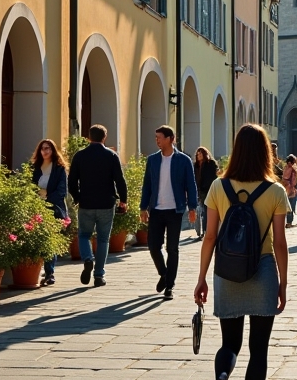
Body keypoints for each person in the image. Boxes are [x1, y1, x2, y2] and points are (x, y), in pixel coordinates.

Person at [195, 123, 290, 380]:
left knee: (230, 343)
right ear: (265, 153)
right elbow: (279, 243)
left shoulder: (218, 187)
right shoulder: (275, 191)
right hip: (262, 271)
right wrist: (283, 283)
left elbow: (210, 236)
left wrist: (202, 278)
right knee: (258, 348)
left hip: (227, 271)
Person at [140, 127, 198, 301]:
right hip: (156, 210)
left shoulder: (183, 160)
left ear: (170, 138)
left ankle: (170, 286)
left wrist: (192, 208)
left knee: (172, 248)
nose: (157, 140)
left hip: (175, 210)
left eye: (160, 137)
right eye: (156, 137)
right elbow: (147, 185)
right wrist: (143, 207)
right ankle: (164, 274)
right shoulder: (153, 160)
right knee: (153, 245)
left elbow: (191, 185)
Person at [67, 125, 128, 288]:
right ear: (104, 137)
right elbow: (119, 180)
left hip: (86, 203)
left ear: (89, 137)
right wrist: (123, 200)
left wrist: (78, 198)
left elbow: (71, 182)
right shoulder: (111, 156)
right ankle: (99, 275)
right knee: (103, 239)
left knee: (84, 235)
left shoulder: (80, 156)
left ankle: (88, 259)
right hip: (106, 204)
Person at [30, 139, 68, 286]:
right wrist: (35, 196)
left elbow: (62, 191)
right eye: (42, 148)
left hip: (53, 208)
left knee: (50, 239)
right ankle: (37, 270)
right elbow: (29, 186)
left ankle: (49, 273)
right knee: (38, 239)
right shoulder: (34, 167)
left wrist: (47, 196)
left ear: (53, 151)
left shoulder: (59, 169)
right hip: (37, 208)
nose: (44, 151)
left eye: (47, 148)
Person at [193, 148, 218, 239]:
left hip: (208, 191)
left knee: (205, 212)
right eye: (198, 154)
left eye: (201, 154)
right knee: (198, 211)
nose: (199, 156)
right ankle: (200, 231)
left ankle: (205, 231)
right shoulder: (195, 166)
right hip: (198, 191)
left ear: (204, 154)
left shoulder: (210, 164)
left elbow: (213, 178)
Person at [281, 155, 297, 227]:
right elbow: (294, 181)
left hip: (285, 188)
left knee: (286, 205)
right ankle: (289, 222)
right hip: (291, 189)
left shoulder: (285, 168)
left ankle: (286, 221)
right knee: (291, 206)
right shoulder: (293, 169)